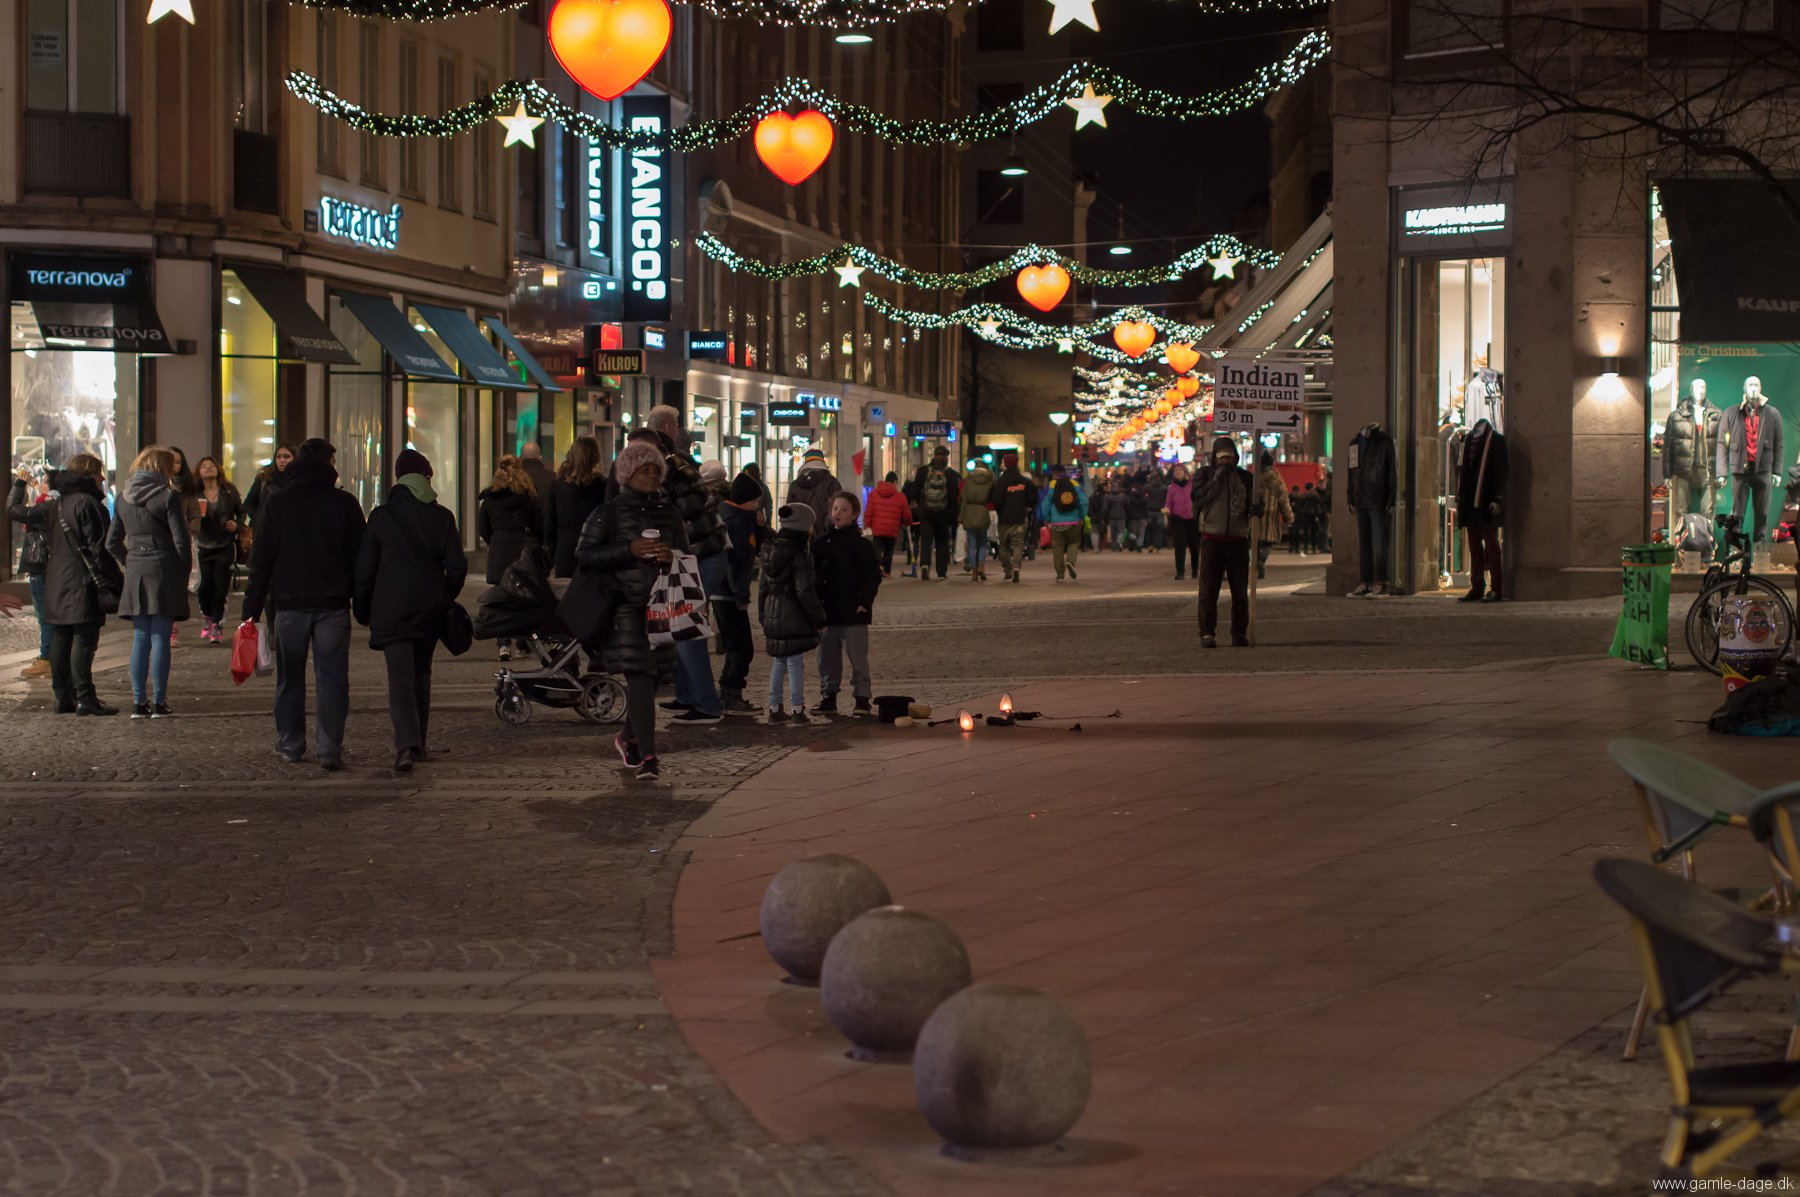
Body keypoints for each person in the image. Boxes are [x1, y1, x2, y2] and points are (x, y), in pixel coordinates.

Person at [241, 438, 367, 769]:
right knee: (332, 679)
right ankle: (329, 749)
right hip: (333, 605)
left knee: (290, 679)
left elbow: (262, 560)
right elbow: (362, 558)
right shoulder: (344, 504)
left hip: (290, 605)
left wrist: (251, 612)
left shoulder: (278, 503)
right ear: (330, 464)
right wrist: (362, 599)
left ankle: (291, 744)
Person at [576, 439, 686, 780]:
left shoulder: (669, 512)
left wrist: (672, 556)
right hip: (624, 605)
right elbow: (585, 555)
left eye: (656, 469)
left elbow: (686, 552)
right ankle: (649, 758)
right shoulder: (607, 513)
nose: (651, 475)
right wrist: (628, 550)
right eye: (643, 469)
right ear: (627, 474)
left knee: (654, 679)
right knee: (639, 676)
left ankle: (627, 737)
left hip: (662, 605)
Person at [354, 449, 468, 774]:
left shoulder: (381, 517)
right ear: (426, 480)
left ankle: (406, 746)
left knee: (399, 677)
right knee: (421, 674)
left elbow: (365, 570)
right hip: (429, 610)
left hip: (391, 610)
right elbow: (457, 567)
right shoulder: (442, 517)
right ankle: (419, 743)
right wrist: (444, 597)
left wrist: (363, 609)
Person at [10, 455, 116, 714]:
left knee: (61, 637)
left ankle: (63, 697)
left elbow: (13, 511)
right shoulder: (90, 505)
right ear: (89, 475)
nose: (103, 478)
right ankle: (85, 698)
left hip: (56, 580)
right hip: (83, 581)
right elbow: (98, 549)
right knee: (83, 638)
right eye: (99, 473)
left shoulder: (54, 505)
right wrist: (113, 579)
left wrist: (19, 485)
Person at [645, 405, 727, 725]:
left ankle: (706, 704)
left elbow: (667, 515)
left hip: (702, 557)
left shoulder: (672, 469)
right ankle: (687, 695)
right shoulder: (675, 465)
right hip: (698, 556)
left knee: (687, 626)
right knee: (679, 625)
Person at [106, 446, 191, 718]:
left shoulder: (122, 497)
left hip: (136, 569)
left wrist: (129, 559)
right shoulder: (168, 496)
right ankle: (158, 702)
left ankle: (138, 703)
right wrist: (184, 571)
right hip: (163, 567)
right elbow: (181, 540)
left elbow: (111, 542)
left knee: (140, 636)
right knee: (161, 636)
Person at [812, 492, 882, 716]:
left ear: (853, 516)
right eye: (835, 509)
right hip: (827, 611)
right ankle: (828, 696)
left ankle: (862, 698)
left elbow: (872, 576)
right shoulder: (820, 544)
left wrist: (864, 602)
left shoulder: (861, 545)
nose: (838, 513)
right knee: (827, 658)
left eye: (843, 510)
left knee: (858, 657)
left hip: (853, 611)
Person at [758, 503, 827, 723]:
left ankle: (774, 707)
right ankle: (797, 708)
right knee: (795, 662)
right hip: (794, 614)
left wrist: (763, 615)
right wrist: (819, 618)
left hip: (772, 613)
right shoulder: (800, 552)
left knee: (779, 662)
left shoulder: (769, 548)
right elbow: (804, 590)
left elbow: (762, 589)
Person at [1194, 436, 1261, 649]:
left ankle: (1239, 632)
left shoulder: (1245, 477)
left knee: (1240, 591)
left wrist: (1256, 508)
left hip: (1238, 540)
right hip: (1212, 539)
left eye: (1229, 458)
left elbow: (1256, 500)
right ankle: (1207, 632)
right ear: (1215, 458)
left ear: (1236, 458)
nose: (1226, 462)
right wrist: (1216, 480)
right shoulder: (1204, 475)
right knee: (1208, 590)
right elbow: (1198, 500)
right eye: (1222, 458)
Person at [477, 456, 542, 662]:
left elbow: (483, 529)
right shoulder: (529, 497)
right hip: (523, 552)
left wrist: (496, 542)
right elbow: (539, 525)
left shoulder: (490, 499)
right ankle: (522, 643)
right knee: (524, 598)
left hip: (499, 554)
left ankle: (503, 645)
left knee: (502, 599)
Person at [714, 467, 763, 715]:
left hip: (721, 592)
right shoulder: (738, 524)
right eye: (755, 501)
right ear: (744, 500)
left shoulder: (730, 516)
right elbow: (737, 564)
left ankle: (726, 693)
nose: (757, 506)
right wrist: (741, 596)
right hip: (729, 594)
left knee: (736, 646)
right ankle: (731, 696)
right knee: (742, 648)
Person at [192, 456, 243, 645]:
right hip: (203, 545)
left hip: (224, 545)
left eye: (211, 465)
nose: (208, 468)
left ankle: (217, 625)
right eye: (203, 466)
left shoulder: (228, 492)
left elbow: (242, 510)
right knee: (204, 587)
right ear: (199, 472)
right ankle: (207, 617)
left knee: (220, 588)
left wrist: (236, 525)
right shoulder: (195, 493)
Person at [8, 467, 52, 679]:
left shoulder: (46, 507)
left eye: (43, 480)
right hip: (52, 567)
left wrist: (19, 484)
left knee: (45, 615)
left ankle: (47, 658)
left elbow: (12, 509)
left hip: (40, 565)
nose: (39, 482)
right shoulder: (57, 504)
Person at [543, 435, 608, 579]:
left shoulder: (558, 486)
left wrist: (551, 553)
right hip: (594, 549)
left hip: (565, 548)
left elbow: (549, 524)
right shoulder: (603, 486)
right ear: (596, 456)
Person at [909, 445, 961, 580]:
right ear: (946, 457)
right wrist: (953, 513)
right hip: (943, 513)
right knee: (942, 541)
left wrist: (916, 505)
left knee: (926, 540)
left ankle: (925, 565)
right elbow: (954, 495)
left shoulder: (923, 471)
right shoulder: (950, 474)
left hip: (926, 512)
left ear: (934, 456)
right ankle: (941, 571)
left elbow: (915, 489)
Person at [993, 453, 1039, 584]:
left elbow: (996, 500)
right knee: (1018, 544)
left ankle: (1007, 570)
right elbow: (1033, 497)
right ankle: (1016, 566)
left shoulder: (1001, 482)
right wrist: (1028, 506)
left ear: (1006, 464)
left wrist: (999, 511)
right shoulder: (1024, 481)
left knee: (1004, 545)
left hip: (1004, 520)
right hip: (1019, 518)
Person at [1039, 463, 1087, 582]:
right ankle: (1070, 562)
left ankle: (1060, 574)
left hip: (1056, 522)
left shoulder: (1052, 484)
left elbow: (1046, 503)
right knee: (1074, 543)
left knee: (1058, 548)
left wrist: (1047, 518)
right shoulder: (1075, 484)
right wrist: (1081, 516)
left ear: (1054, 474)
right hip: (1073, 521)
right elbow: (1084, 501)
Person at [863, 470, 912, 577]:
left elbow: (869, 512)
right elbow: (906, 513)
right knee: (889, 551)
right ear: (895, 482)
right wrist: (908, 522)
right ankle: (887, 571)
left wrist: (867, 525)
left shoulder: (873, 494)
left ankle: (879, 565)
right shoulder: (900, 496)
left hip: (877, 528)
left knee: (877, 548)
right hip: (892, 529)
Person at [785, 446, 842, 536]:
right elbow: (839, 510)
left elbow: (788, 513)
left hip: (799, 535)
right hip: (826, 537)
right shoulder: (832, 482)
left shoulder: (795, 485)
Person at [1255, 452, 1293, 581]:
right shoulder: (1277, 480)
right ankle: (1262, 560)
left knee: (1254, 541)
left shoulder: (1254, 477)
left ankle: (1256, 560)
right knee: (1268, 543)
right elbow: (1284, 501)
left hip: (1255, 514)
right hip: (1271, 516)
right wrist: (1289, 517)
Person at [959, 457, 996, 581]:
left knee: (971, 544)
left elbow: (963, 499)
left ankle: (974, 572)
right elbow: (992, 497)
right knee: (982, 543)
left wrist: (961, 516)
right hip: (982, 511)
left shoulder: (967, 480)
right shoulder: (989, 480)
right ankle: (981, 566)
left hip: (969, 512)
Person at [244, 443, 295, 530]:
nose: (282, 460)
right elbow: (248, 503)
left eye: (286, 457)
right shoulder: (265, 478)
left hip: (290, 531)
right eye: (278, 457)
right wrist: (259, 518)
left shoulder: (299, 480)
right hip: (265, 531)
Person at [1165, 462, 1199, 581]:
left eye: (1180, 470)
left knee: (1195, 546)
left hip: (1192, 518)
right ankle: (1180, 572)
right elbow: (1168, 503)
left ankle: (1195, 570)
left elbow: (1197, 499)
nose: (1177, 472)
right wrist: (1167, 510)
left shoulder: (1192, 485)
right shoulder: (1172, 488)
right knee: (1180, 546)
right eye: (1175, 470)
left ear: (1185, 472)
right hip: (1178, 519)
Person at [517, 442, 555, 517]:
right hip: (545, 524)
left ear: (520, 457)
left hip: (519, 525)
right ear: (540, 458)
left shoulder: (514, 477)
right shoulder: (553, 477)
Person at [1145, 471, 1168, 553]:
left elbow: (1144, 496)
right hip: (1160, 511)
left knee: (1149, 529)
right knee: (1158, 530)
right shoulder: (1164, 487)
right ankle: (1157, 547)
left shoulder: (1148, 487)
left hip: (1150, 510)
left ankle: (1149, 545)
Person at [1103, 482, 1129, 551]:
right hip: (1121, 516)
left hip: (1111, 517)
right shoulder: (1123, 496)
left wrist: (1105, 517)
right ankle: (1119, 543)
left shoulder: (1108, 496)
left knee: (1113, 533)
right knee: (1120, 532)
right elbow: (1127, 506)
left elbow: (1105, 508)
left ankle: (1113, 547)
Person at [1124, 483, 1148, 553]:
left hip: (1133, 518)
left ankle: (1133, 546)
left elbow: (1128, 508)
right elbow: (1146, 508)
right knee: (1141, 534)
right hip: (1142, 517)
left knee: (1133, 533)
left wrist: (1129, 516)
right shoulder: (1144, 497)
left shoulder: (1130, 497)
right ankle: (1139, 547)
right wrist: (1146, 517)